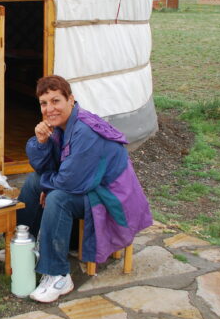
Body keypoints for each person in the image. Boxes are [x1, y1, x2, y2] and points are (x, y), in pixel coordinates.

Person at [16, 75, 153, 303]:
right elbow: (46, 167)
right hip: (88, 186)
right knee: (33, 182)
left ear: (71, 99)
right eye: (44, 103)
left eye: (56, 101)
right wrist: (41, 142)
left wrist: (49, 187)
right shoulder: (61, 125)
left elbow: (70, 181)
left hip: (110, 197)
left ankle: (58, 274)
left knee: (58, 197)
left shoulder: (85, 131)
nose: (50, 109)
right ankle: (26, 243)